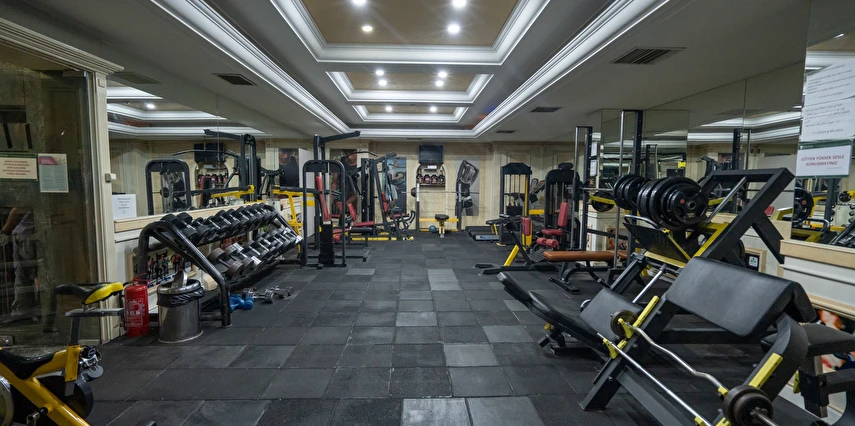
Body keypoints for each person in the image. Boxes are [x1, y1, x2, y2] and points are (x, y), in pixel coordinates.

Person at [0, 208, 38, 320]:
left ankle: (23, 311)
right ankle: (23, 310)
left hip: (27, 233)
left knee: (25, 275)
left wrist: (4, 231)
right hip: (22, 233)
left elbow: (19, 208)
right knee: (22, 274)